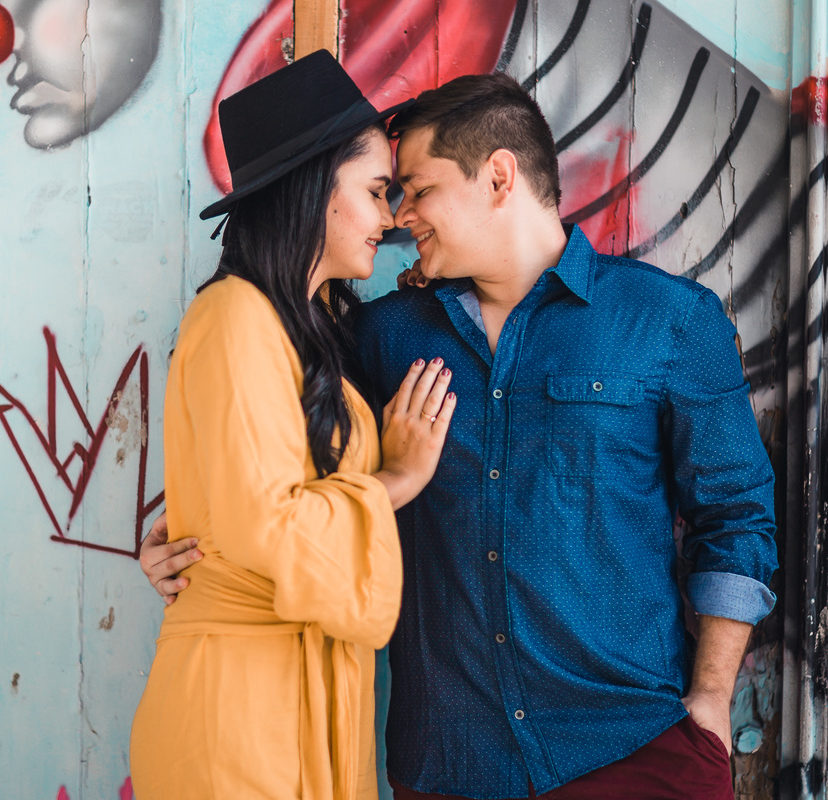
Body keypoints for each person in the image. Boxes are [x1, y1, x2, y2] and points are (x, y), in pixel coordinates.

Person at [145, 72, 777, 800]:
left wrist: (710, 702)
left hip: (632, 752)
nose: (398, 216)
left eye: (417, 189)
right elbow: (283, 456)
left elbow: (736, 517)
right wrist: (189, 540)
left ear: (499, 177)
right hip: (449, 765)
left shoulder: (669, 320)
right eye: (391, 192)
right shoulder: (379, 336)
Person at [129, 50, 458, 800]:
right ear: (314, 187)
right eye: (376, 191)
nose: (388, 217)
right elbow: (261, 525)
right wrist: (397, 480)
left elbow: (242, 509)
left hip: (298, 697)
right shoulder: (233, 315)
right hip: (239, 715)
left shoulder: (313, 333)